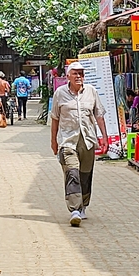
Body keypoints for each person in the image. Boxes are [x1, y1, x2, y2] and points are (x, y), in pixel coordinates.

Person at [50, 63, 107, 227]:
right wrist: (53, 141)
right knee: (72, 173)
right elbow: (55, 118)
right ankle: (74, 209)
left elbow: (99, 115)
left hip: (87, 140)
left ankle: (83, 205)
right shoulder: (60, 94)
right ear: (68, 76)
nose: (79, 76)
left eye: (81, 74)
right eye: (75, 73)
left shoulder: (91, 92)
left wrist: (104, 137)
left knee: (85, 175)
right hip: (68, 140)